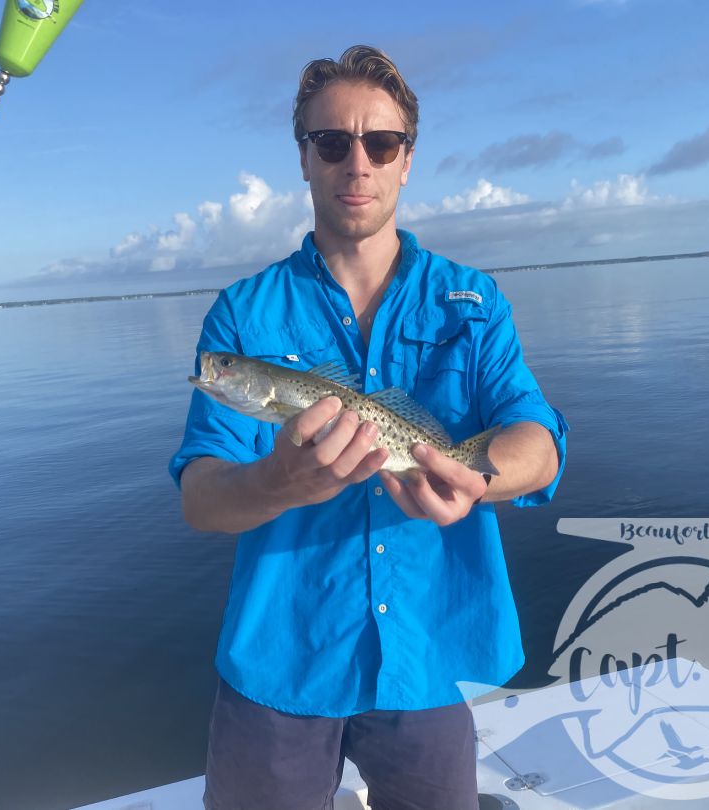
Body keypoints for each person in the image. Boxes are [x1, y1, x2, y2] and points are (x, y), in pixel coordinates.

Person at [171, 45, 568, 810]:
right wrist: (275, 481)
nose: (358, 163)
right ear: (306, 159)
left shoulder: (473, 300)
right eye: (332, 142)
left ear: (407, 161)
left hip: (425, 652)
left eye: (380, 143)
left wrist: (476, 481)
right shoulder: (243, 316)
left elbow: (536, 437)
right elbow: (201, 498)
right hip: (281, 660)